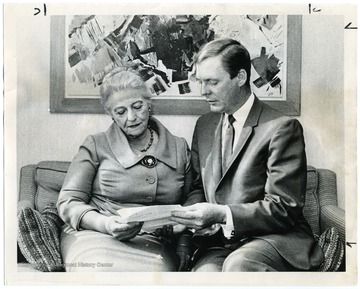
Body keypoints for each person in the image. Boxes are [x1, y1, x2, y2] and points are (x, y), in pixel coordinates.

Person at [170, 38, 324, 271]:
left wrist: (221, 214)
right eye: (200, 82)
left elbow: (284, 207)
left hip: (275, 239)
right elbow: (199, 189)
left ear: (240, 78)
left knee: (238, 265)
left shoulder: (281, 127)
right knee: (205, 276)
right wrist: (190, 216)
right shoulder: (204, 124)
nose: (203, 91)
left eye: (212, 82)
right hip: (221, 242)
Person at [57, 66, 203, 272]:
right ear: (111, 115)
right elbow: (68, 202)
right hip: (96, 236)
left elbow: (192, 200)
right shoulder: (95, 145)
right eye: (121, 112)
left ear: (149, 105)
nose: (132, 117)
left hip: (156, 242)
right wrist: (106, 224)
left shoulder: (179, 148)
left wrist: (184, 243)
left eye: (137, 106)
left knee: (153, 276)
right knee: (98, 272)